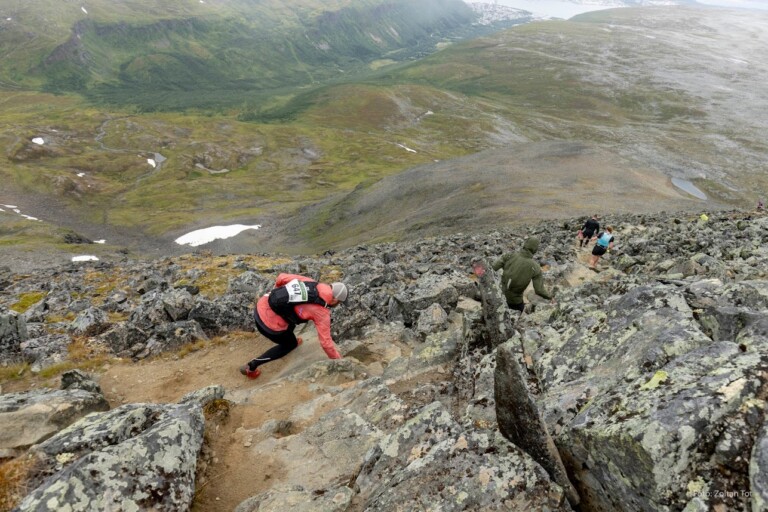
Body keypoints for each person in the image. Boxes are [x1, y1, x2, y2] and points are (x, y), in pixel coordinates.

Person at [240, 273, 348, 379]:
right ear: (335, 300)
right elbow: (326, 344)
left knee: (292, 311)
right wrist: (339, 361)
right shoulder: (322, 313)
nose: (338, 305)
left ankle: (289, 334)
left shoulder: (310, 282)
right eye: (339, 303)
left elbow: (281, 277)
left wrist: (277, 298)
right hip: (268, 326)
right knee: (290, 344)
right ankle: (252, 366)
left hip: (260, 306)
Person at [492, 237, 554, 313]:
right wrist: (550, 297)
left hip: (499, 297)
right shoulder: (535, 267)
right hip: (515, 303)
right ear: (535, 250)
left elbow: (492, 268)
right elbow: (539, 290)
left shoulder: (509, 255)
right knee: (520, 314)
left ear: (525, 245)